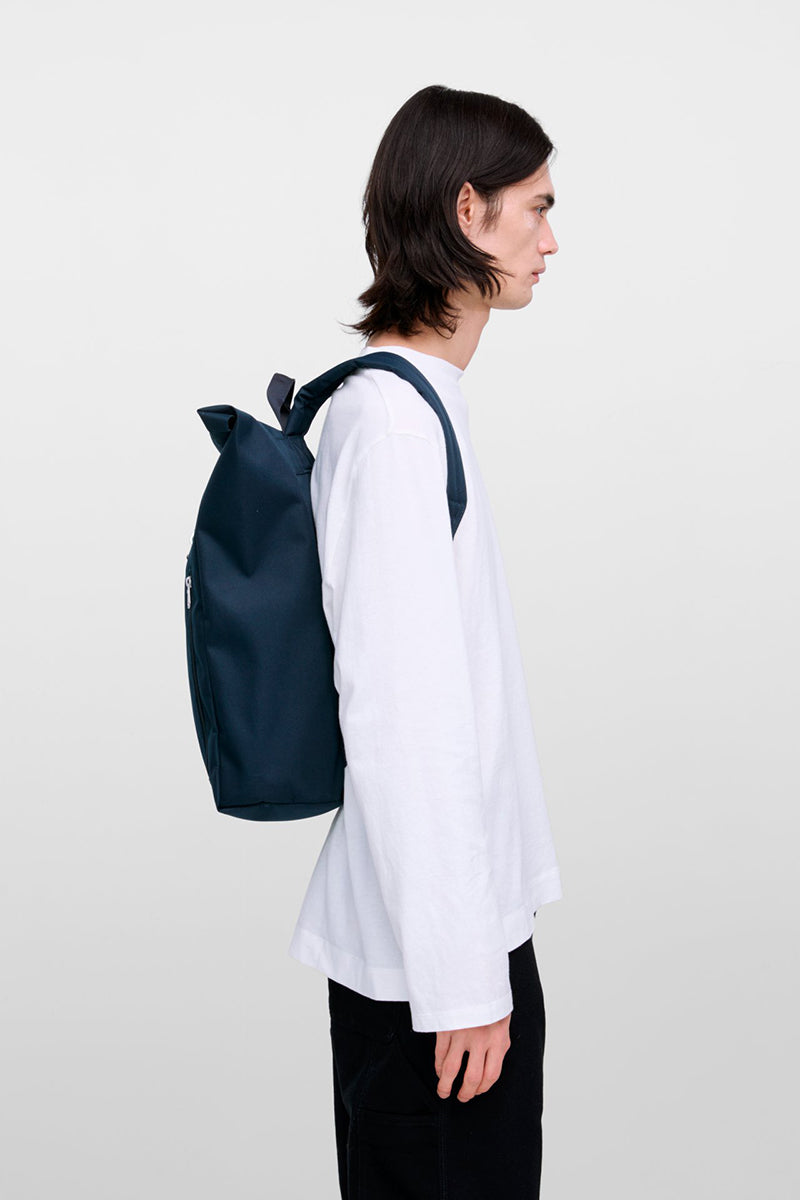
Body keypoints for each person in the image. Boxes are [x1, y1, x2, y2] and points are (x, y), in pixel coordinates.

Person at [288, 84, 563, 1199]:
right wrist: (463, 986)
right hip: (433, 980)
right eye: (536, 207)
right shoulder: (393, 425)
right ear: (465, 210)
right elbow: (404, 721)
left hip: (452, 947)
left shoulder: (414, 406)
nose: (550, 240)